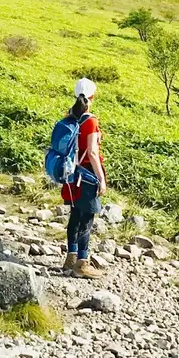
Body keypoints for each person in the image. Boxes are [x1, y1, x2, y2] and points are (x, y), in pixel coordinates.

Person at [62, 77, 107, 278]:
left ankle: (70, 258)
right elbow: (92, 153)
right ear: (92, 97)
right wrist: (101, 179)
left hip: (70, 174)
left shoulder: (69, 116)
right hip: (86, 176)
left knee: (74, 215)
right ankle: (82, 262)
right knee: (87, 219)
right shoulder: (91, 121)